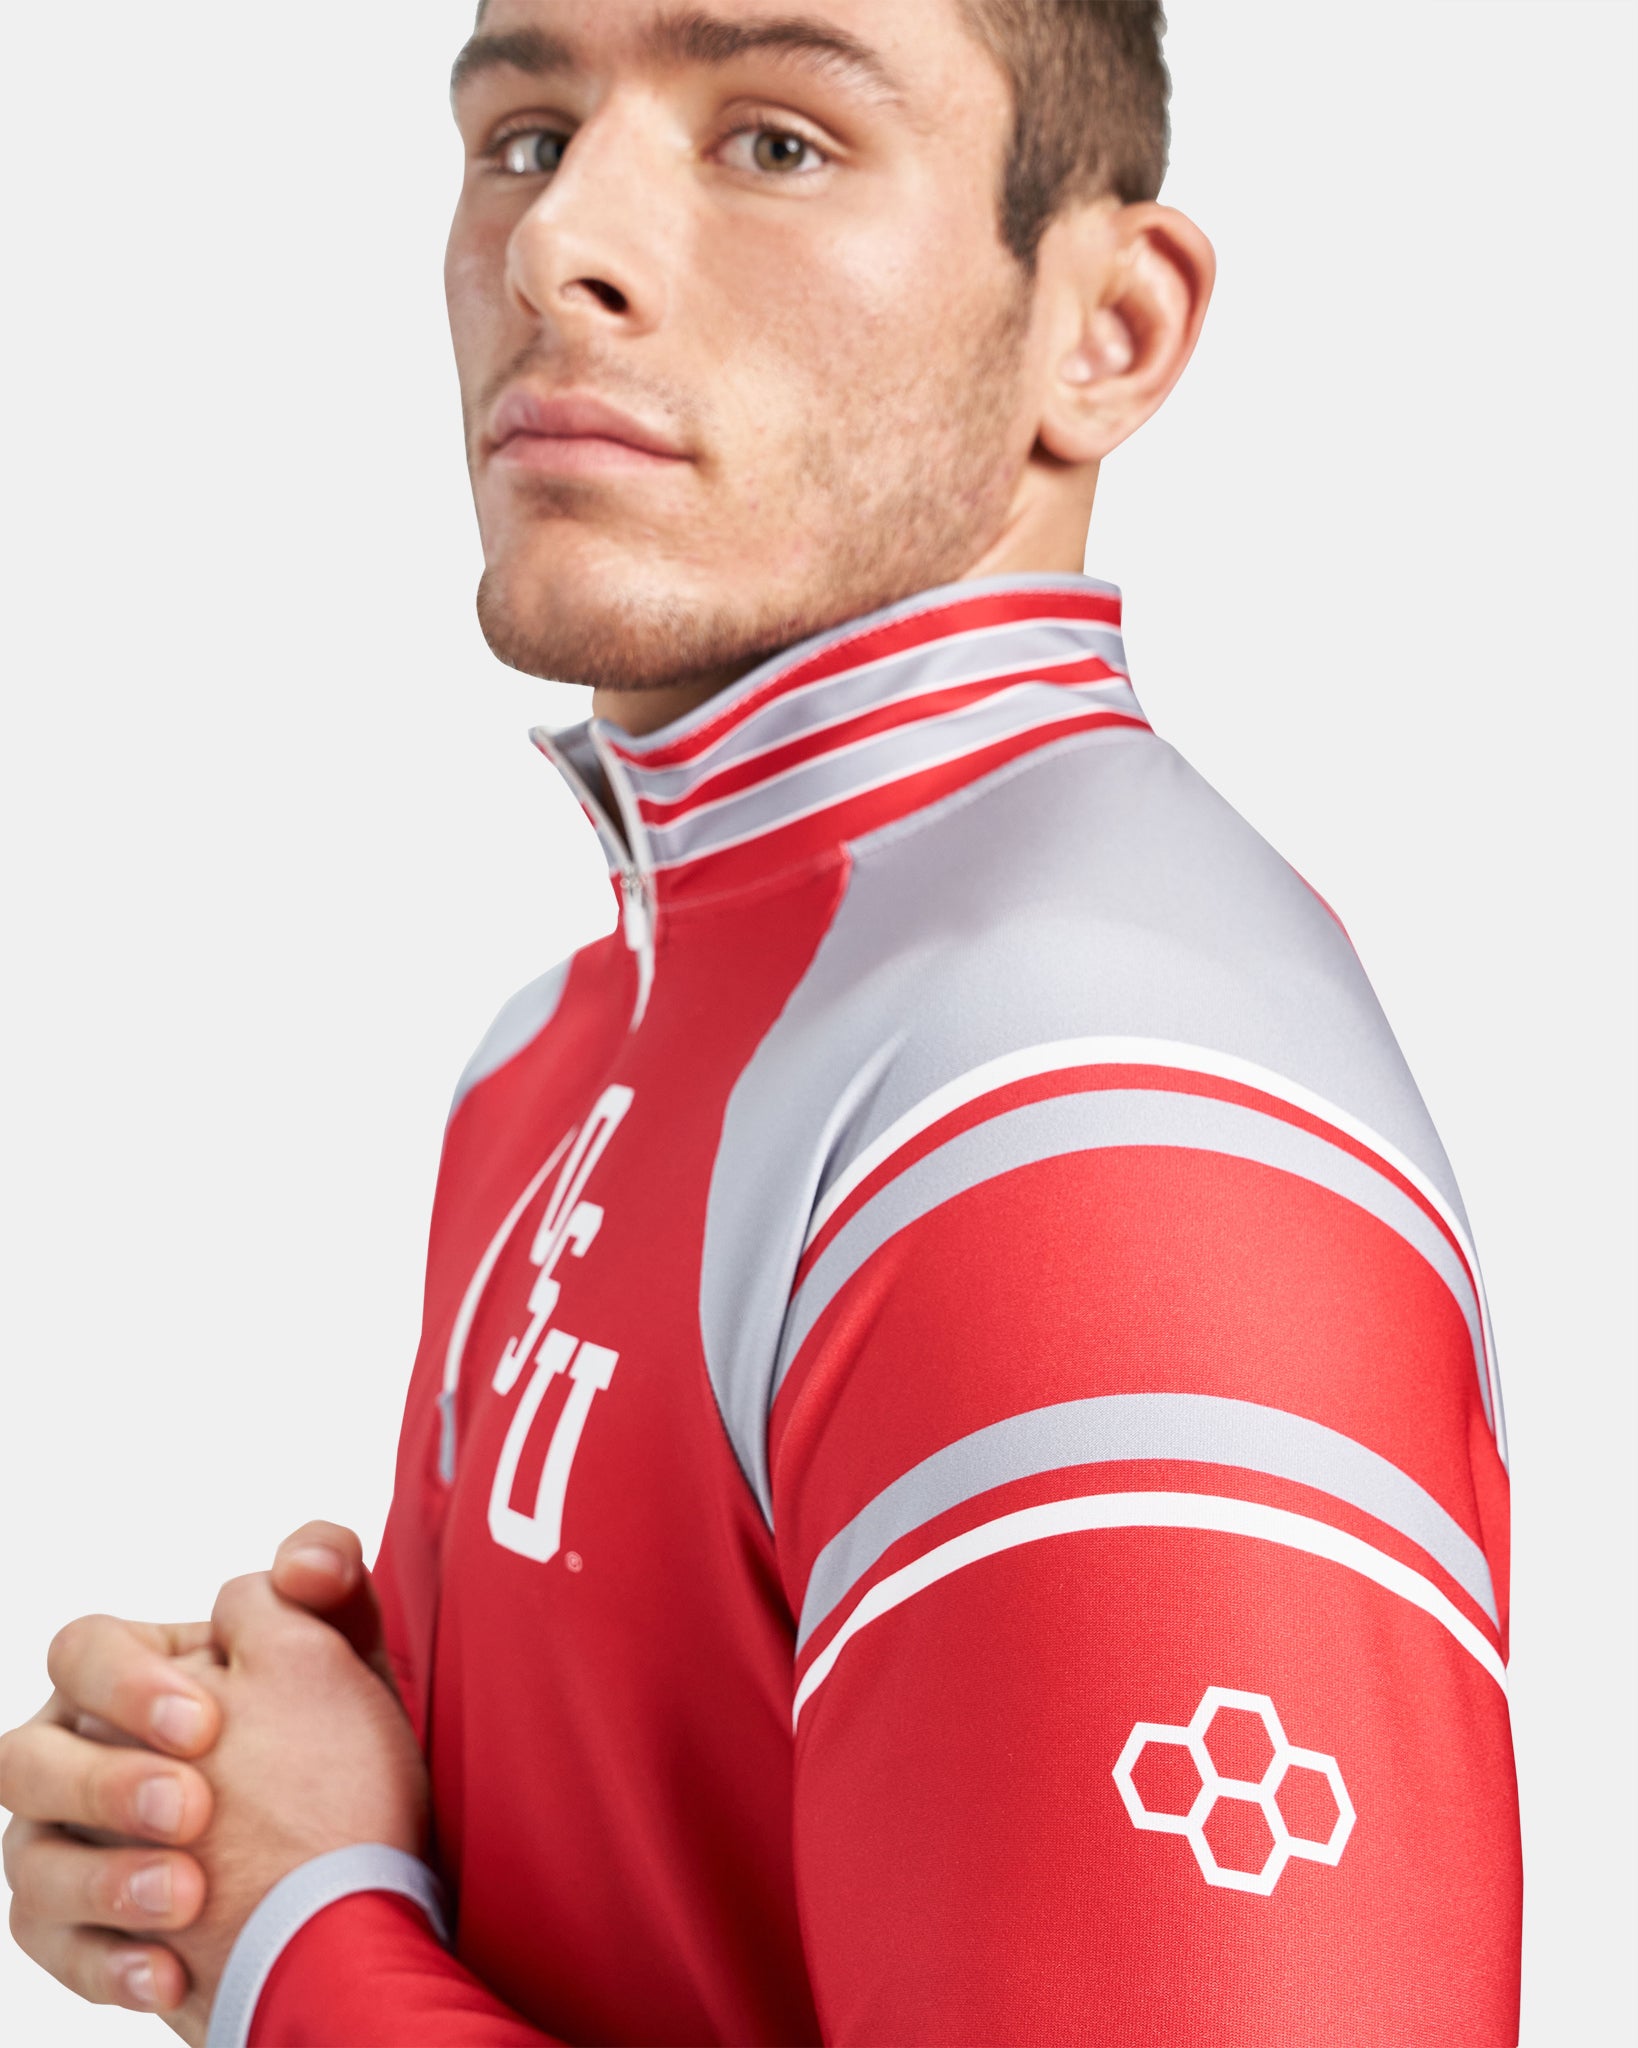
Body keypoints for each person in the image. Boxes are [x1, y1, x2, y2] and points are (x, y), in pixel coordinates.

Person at [0, 1, 1523, 2042]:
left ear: (1111, 329)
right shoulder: (566, 1040)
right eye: (525, 135)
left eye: (778, 141)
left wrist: (302, 1940)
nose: (559, 250)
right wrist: (308, 1805)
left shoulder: (1086, 1108)